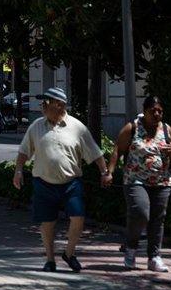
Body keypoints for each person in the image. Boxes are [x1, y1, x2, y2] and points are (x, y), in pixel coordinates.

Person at [13, 87, 111, 272]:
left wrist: (105, 171)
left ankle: (69, 253)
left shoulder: (77, 127)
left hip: (71, 183)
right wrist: (18, 171)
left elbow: (95, 153)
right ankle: (50, 260)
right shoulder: (36, 126)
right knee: (47, 222)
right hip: (43, 183)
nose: (42, 106)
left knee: (78, 217)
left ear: (59, 105)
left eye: (46, 102)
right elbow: (24, 151)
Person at [108, 95, 171, 272]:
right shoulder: (132, 127)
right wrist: (109, 172)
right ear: (144, 111)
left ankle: (154, 257)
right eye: (152, 111)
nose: (156, 114)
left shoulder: (166, 129)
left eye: (159, 111)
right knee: (140, 212)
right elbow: (118, 149)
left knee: (158, 219)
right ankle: (131, 249)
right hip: (135, 179)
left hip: (162, 181)